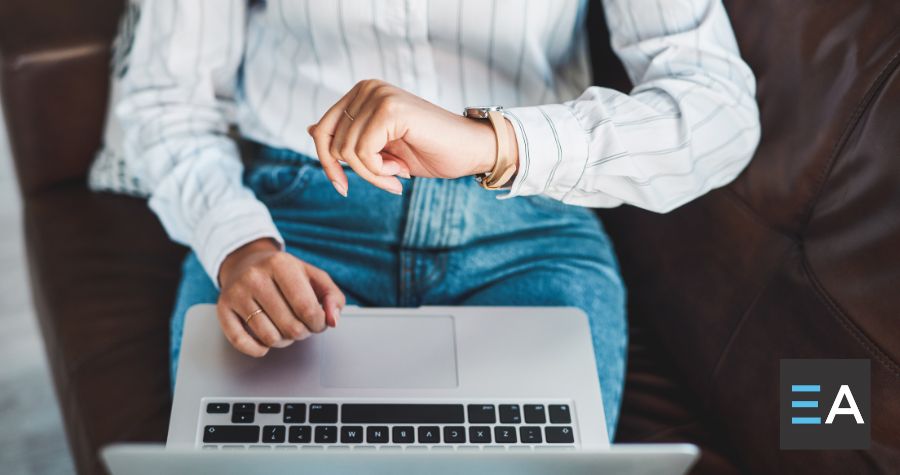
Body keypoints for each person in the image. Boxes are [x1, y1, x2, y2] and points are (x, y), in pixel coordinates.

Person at [114, 0, 760, 438]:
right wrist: (238, 246)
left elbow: (716, 111)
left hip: (528, 227)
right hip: (290, 227)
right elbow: (166, 102)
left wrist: (493, 144)